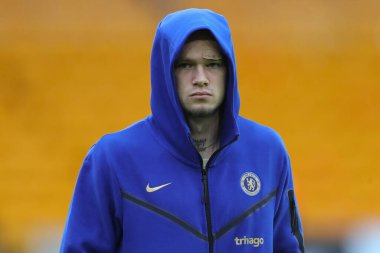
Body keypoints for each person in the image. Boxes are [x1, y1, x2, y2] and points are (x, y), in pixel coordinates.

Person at [60, 8, 304, 253]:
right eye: (186, 65)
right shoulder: (112, 158)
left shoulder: (268, 151)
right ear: (164, 70)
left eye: (213, 64)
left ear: (229, 69)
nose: (200, 78)